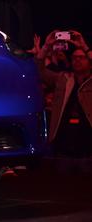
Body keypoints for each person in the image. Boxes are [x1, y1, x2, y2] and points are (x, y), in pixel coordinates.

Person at [34, 30, 92, 158]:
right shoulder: (63, 78)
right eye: (74, 58)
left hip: (88, 147)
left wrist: (84, 46)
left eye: (81, 57)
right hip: (63, 145)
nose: (77, 60)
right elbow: (38, 70)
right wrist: (46, 47)